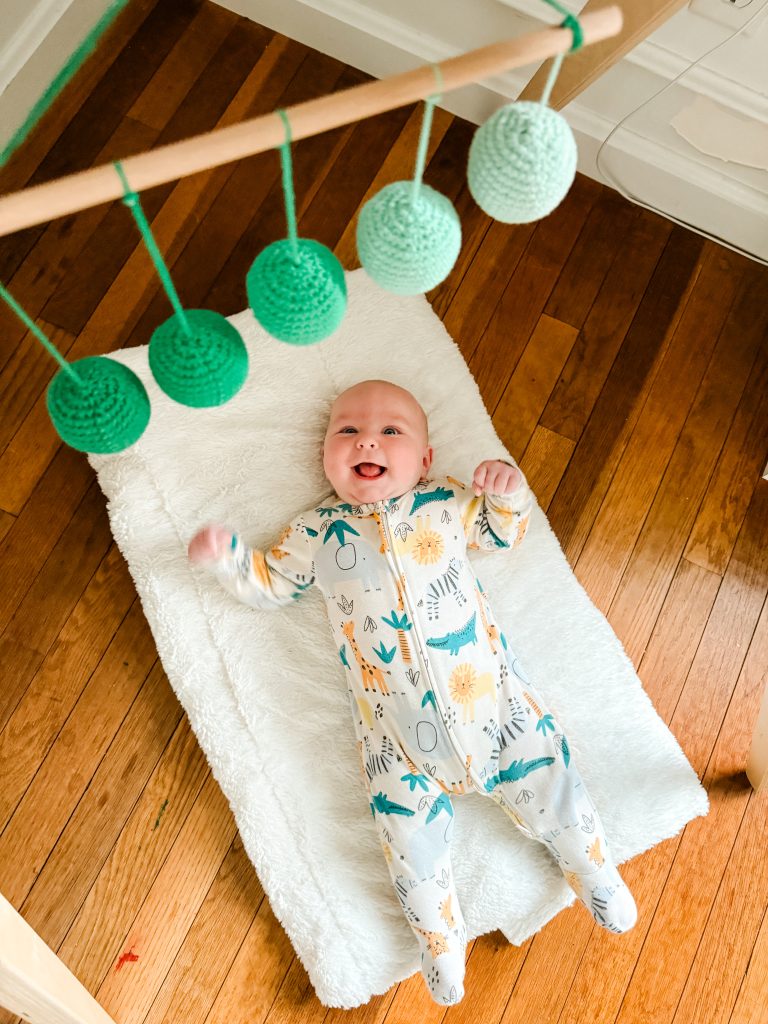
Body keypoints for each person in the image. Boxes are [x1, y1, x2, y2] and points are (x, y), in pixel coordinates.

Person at [188, 379, 637, 1005]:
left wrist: (507, 492)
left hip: (495, 708)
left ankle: (593, 869)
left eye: (390, 431)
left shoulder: (447, 501)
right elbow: (272, 585)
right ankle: (439, 941)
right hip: (395, 739)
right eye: (346, 431)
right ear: (325, 455)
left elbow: (502, 536)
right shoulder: (316, 531)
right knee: (406, 844)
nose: (366, 438)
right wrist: (227, 558)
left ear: (425, 460)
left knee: (556, 785)